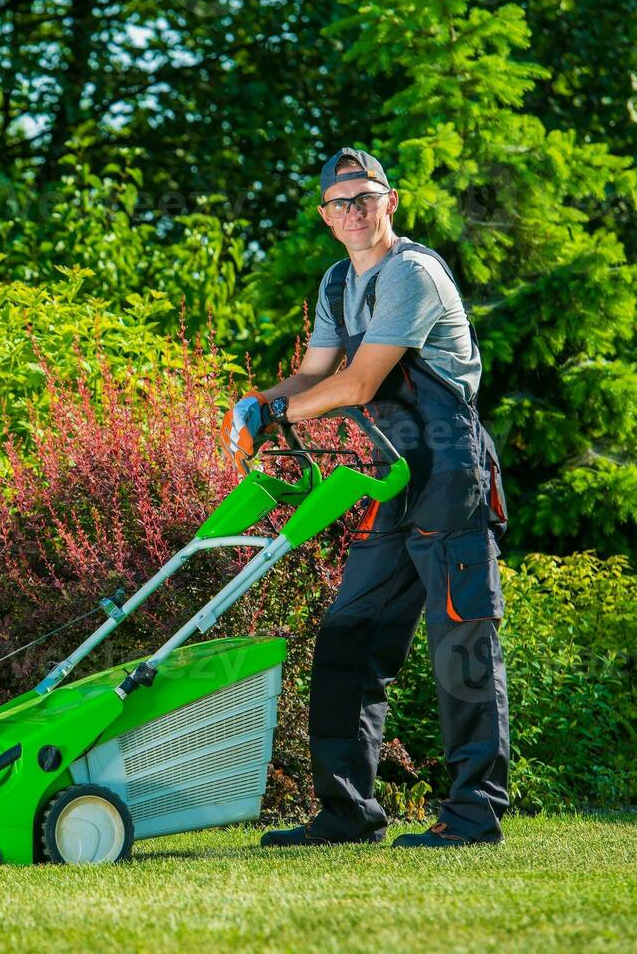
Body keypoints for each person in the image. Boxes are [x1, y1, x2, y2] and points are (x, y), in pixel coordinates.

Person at [223, 147, 511, 847]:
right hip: (391, 476)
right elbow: (313, 373)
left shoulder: (411, 273)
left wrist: (281, 417)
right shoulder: (334, 284)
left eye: (364, 197)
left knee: (460, 642)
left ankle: (473, 816)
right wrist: (256, 403)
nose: (352, 211)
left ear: (389, 203)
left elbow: (354, 387)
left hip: (450, 476)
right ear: (324, 217)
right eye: (338, 202)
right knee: (349, 634)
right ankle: (346, 810)